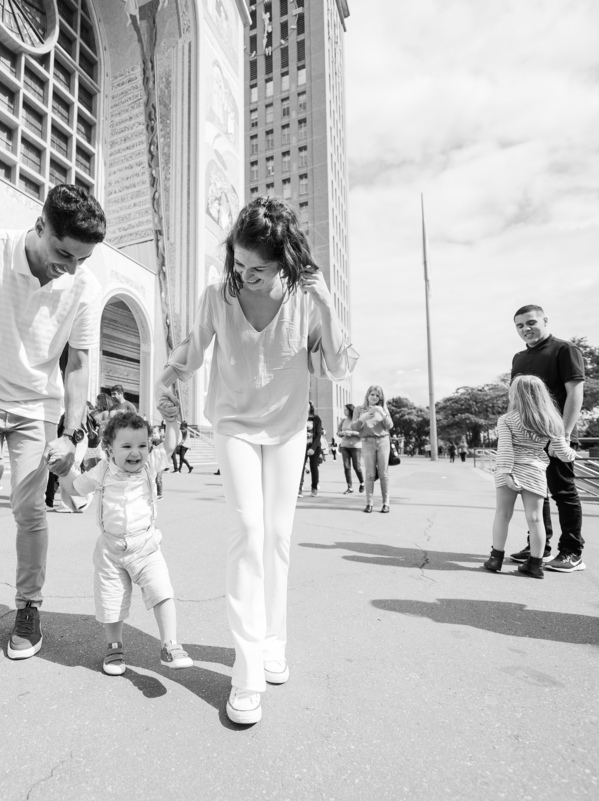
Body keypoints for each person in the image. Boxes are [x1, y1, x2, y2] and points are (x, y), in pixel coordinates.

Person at [156, 196, 356, 726]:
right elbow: (194, 349)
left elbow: (335, 367)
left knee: (278, 537)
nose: (245, 275)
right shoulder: (217, 297)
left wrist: (330, 306)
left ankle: (273, 640)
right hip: (235, 425)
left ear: (285, 262)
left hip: (288, 428)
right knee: (247, 531)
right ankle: (245, 673)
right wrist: (169, 375)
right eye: (239, 263)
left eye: (259, 269)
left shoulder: (307, 301)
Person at [0, 184, 106, 695]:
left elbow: (77, 363)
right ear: (40, 226)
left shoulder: (84, 287)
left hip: (39, 407)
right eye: (62, 253)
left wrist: (74, 434)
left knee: (30, 513)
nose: (69, 268)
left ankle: (28, 609)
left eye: (82, 259)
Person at [52, 412, 194, 675]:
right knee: (111, 602)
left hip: (146, 546)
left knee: (162, 591)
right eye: (126, 446)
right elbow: (76, 488)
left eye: (142, 445)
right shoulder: (102, 470)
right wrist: (62, 471)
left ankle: (170, 644)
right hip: (110, 550)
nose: (135, 453)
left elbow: (171, 443)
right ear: (110, 449)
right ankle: (114, 646)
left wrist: (172, 420)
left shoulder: (151, 465)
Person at [507, 305, 587, 573]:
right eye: (519, 326)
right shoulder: (519, 358)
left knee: (563, 492)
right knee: (534, 491)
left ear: (544, 320)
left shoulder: (564, 349)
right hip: (527, 438)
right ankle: (539, 547)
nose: (525, 329)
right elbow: (516, 400)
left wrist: (562, 435)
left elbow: (575, 393)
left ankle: (572, 552)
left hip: (556, 435)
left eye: (531, 322)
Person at [483, 376, 578, 578]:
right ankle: (535, 565)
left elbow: (505, 449)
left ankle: (495, 559)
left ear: (516, 394)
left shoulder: (507, 419)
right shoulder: (552, 420)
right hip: (535, 471)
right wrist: (572, 453)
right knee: (536, 519)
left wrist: (507, 473)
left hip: (509, 471)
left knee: (502, 515)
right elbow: (563, 452)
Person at [351, 385, 393, 514]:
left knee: (383, 474)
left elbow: (390, 425)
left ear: (380, 398)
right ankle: (369, 503)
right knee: (369, 474)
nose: (374, 397)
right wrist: (362, 419)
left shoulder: (383, 408)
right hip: (367, 442)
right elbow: (354, 427)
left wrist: (383, 413)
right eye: (372, 394)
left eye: (377, 395)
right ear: (367, 395)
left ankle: (386, 503)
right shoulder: (359, 409)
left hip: (383, 441)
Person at [298, 403, 324, 497]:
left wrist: (313, 448)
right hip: (302, 446)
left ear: (310, 407)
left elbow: (318, 434)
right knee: (300, 468)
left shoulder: (316, 419)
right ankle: (299, 489)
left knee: (314, 468)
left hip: (314, 447)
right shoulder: (300, 417)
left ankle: (314, 488)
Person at [337, 403, 364, 494]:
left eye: (345, 410)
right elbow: (338, 432)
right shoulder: (343, 421)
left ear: (350, 410)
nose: (344, 411)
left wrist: (351, 433)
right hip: (345, 446)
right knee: (346, 467)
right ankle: (350, 487)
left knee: (357, 467)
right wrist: (340, 434)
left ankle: (362, 483)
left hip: (356, 447)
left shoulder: (358, 421)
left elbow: (362, 434)